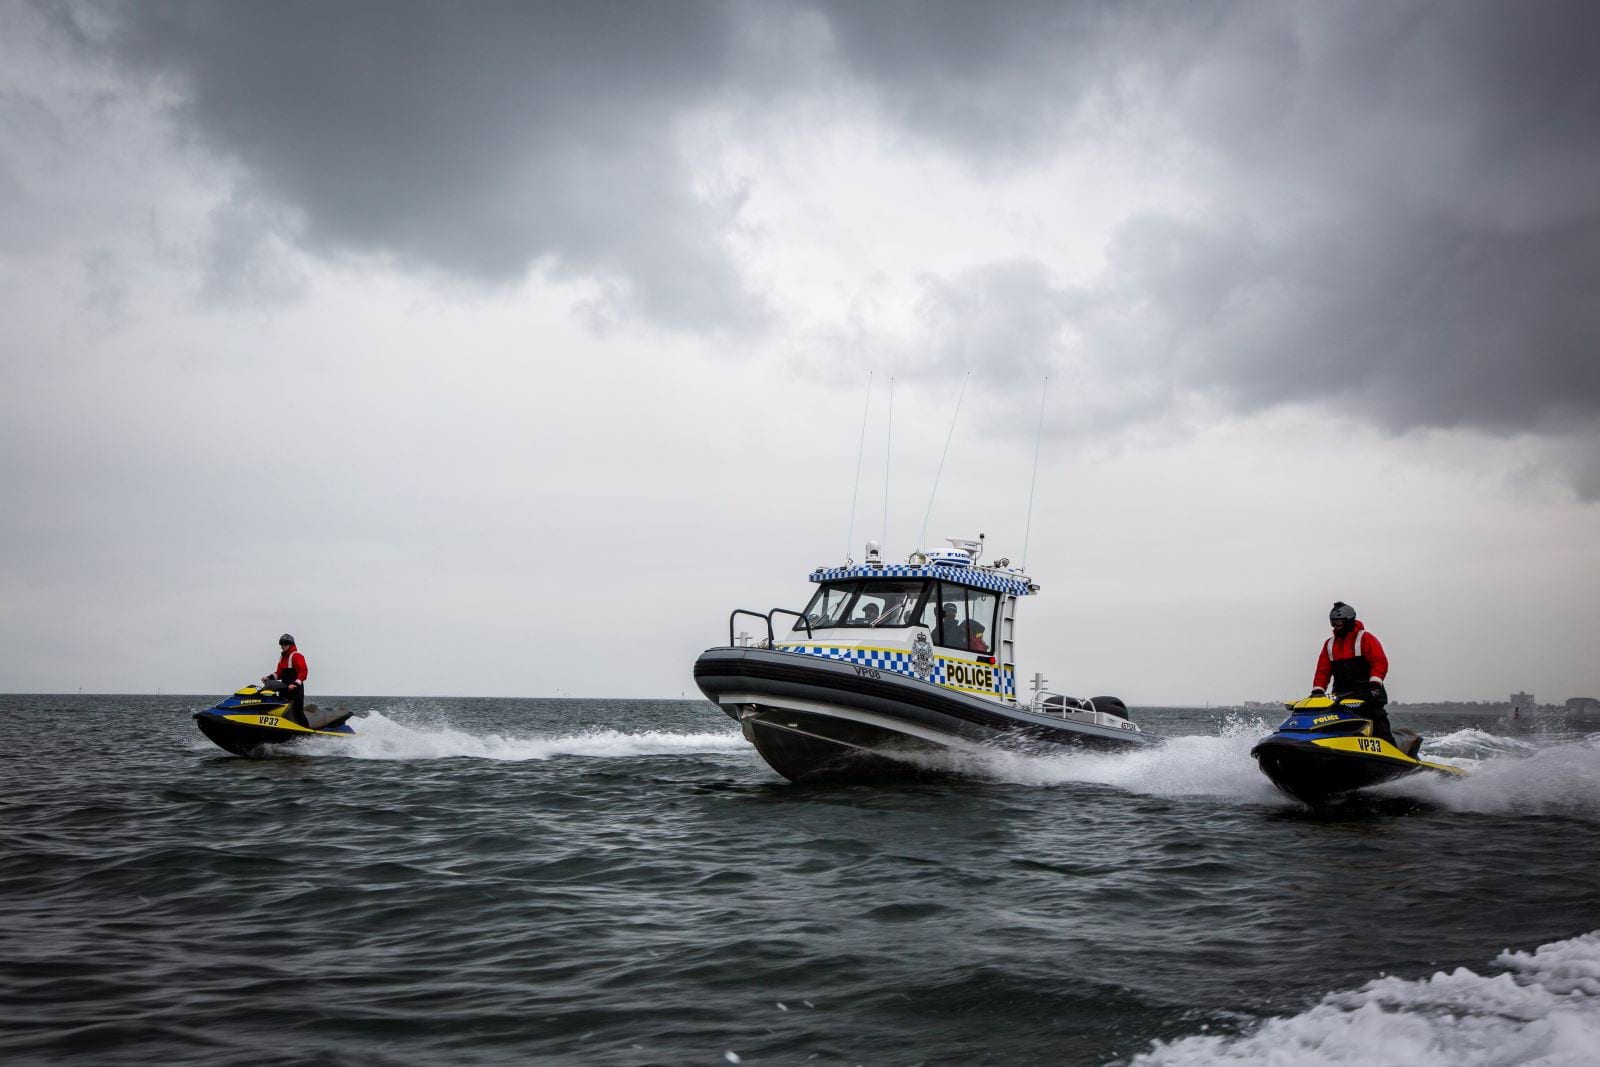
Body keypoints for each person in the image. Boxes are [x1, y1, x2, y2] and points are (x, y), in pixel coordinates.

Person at [1311, 602, 1393, 742]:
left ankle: (1393, 755)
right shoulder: (1330, 644)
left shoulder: (1365, 638)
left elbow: (1379, 661)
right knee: (1330, 721)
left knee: (1378, 721)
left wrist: (1375, 682)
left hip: (1369, 693)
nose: (1335, 626)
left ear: (1349, 620)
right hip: (1341, 695)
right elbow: (1322, 671)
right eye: (1333, 623)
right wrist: (1318, 690)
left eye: (1338, 622)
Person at [262, 633, 309, 726]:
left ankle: (308, 732)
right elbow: (279, 673)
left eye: (285, 644)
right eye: (281, 644)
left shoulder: (296, 656)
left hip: (296, 689)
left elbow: (303, 672)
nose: (283, 646)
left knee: (297, 711)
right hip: (285, 688)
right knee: (282, 709)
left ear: (291, 644)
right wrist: (268, 677)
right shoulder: (282, 658)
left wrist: (295, 683)